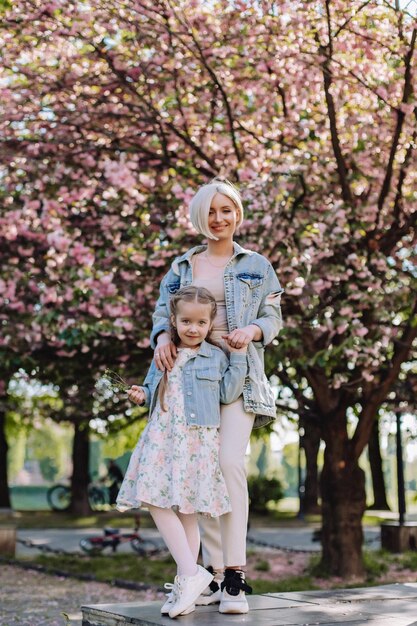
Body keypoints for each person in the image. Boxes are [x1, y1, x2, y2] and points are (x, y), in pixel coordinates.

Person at [150, 178, 283, 614]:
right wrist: (160, 339)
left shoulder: (257, 264)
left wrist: (254, 330)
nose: (219, 218)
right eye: (210, 211)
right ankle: (210, 570)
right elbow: (161, 313)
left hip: (239, 372)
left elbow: (272, 314)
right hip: (193, 377)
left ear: (237, 214)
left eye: (226, 210)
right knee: (199, 468)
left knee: (227, 464)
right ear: (198, 216)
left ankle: (235, 577)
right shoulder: (182, 267)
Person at [116, 286, 248, 619]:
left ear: (209, 324)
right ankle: (189, 579)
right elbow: (150, 388)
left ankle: (189, 575)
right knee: (157, 499)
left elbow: (229, 392)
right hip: (162, 436)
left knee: (179, 506)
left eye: (200, 322)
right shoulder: (164, 353)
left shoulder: (215, 356)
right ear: (173, 321)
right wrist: (139, 394)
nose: (193, 328)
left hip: (196, 440)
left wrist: (240, 355)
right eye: (186, 321)